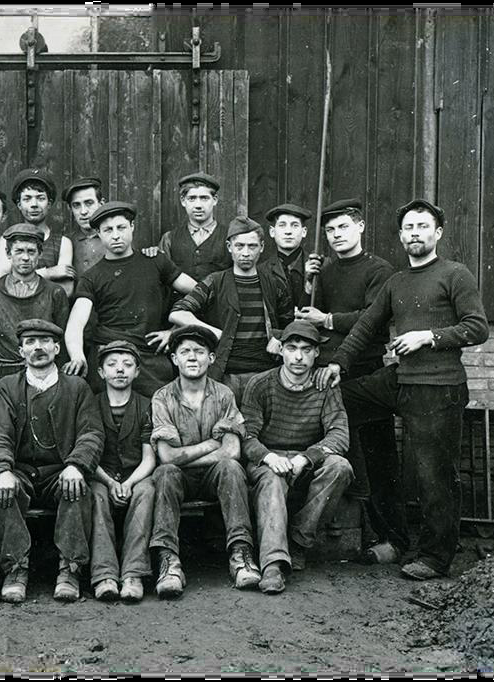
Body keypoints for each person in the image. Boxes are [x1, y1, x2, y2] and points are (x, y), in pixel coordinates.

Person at [316, 198, 489, 580]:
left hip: (438, 387)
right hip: (400, 380)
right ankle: (387, 532)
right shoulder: (396, 281)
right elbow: (365, 326)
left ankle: (434, 556)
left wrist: (429, 336)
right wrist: (336, 363)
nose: (415, 234)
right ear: (400, 236)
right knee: (340, 400)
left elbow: (478, 328)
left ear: (437, 233)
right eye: (408, 228)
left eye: (422, 227)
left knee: (432, 474)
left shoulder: (454, 274)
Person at [294, 198, 403, 564]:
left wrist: (327, 319)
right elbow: (307, 317)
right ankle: (347, 533)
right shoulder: (324, 271)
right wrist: (309, 281)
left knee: (377, 456)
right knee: (339, 451)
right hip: (327, 372)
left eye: (343, 227)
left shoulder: (379, 269)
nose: (336, 235)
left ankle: (393, 538)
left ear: (360, 227)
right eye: (329, 230)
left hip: (365, 371)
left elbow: (371, 318)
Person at [0, 319, 104, 603]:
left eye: (45, 342)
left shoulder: (77, 387)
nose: (38, 348)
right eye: (30, 343)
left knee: (76, 487)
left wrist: (76, 464)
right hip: (21, 471)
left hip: (60, 471)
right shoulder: (7, 387)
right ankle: (15, 569)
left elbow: (91, 433)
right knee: (2, 489)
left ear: (57, 348)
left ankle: (70, 570)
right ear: (21, 351)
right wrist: (2, 469)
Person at [241, 321, 354, 594]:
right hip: (269, 459)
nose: (298, 357)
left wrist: (307, 457)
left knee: (340, 467)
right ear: (280, 350)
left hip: (305, 460)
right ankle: (273, 565)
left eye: (306, 350)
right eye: (291, 348)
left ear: (317, 354)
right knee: (272, 479)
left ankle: (298, 543)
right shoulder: (260, 384)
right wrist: (268, 457)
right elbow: (246, 437)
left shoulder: (325, 386)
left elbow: (340, 436)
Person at [149, 325, 259, 598]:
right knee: (165, 473)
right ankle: (169, 561)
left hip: (214, 478)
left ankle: (240, 554)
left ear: (211, 358)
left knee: (231, 468)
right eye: (184, 351)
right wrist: (212, 443)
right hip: (180, 479)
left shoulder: (223, 394)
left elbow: (232, 452)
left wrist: (189, 454)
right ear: (174, 359)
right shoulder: (162, 397)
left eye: (200, 352)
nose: (192, 357)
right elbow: (167, 456)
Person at [64, 201, 198, 395]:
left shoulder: (155, 261)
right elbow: (76, 323)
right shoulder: (92, 276)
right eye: (108, 230)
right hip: (109, 354)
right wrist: (77, 356)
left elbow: (199, 292)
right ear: (99, 234)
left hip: (150, 356)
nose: (116, 235)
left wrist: (175, 331)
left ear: (132, 227)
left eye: (121, 227)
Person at [169, 215, 292, 398]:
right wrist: (213, 332)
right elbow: (178, 313)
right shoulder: (215, 282)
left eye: (252, 246)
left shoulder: (275, 283)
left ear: (262, 248)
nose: (245, 253)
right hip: (224, 375)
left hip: (265, 374)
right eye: (239, 246)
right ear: (229, 247)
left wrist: (280, 337)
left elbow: (290, 325)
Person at [89, 340, 156, 603]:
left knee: (147, 491)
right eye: (112, 365)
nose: (120, 370)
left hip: (135, 474)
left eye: (128, 365)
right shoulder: (90, 404)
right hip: (100, 475)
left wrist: (128, 483)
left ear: (137, 372)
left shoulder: (147, 405)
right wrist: (109, 481)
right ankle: (104, 574)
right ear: (101, 372)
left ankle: (133, 573)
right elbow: (86, 454)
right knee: (94, 494)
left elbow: (149, 457)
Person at [0, 223, 70, 395]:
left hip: (44, 377)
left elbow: (62, 347)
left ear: (40, 254)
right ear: (8, 253)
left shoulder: (55, 292)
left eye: (31, 251)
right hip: (1, 378)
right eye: (19, 251)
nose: (25, 258)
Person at [0, 169, 75, 296]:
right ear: (19, 204)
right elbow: (1, 284)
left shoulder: (63, 243)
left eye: (40, 198)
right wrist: (48, 273)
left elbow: (65, 291)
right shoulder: (6, 240)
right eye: (27, 199)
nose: (34, 204)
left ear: (49, 203)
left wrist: (20, 280)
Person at [157, 172, 232, 282]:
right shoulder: (169, 239)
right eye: (192, 198)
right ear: (183, 201)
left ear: (215, 200)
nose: (198, 205)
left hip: (219, 298)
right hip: (179, 299)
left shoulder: (230, 236)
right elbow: (161, 277)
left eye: (204, 198)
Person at [263, 203, 314, 308]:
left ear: (304, 232)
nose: (288, 232)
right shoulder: (262, 271)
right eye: (282, 225)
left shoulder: (318, 267)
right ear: (272, 232)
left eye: (295, 225)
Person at [64, 176, 107, 275]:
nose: (83, 212)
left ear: (101, 204)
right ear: (70, 209)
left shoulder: (115, 238)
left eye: (89, 203)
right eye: (76, 205)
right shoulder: (66, 243)